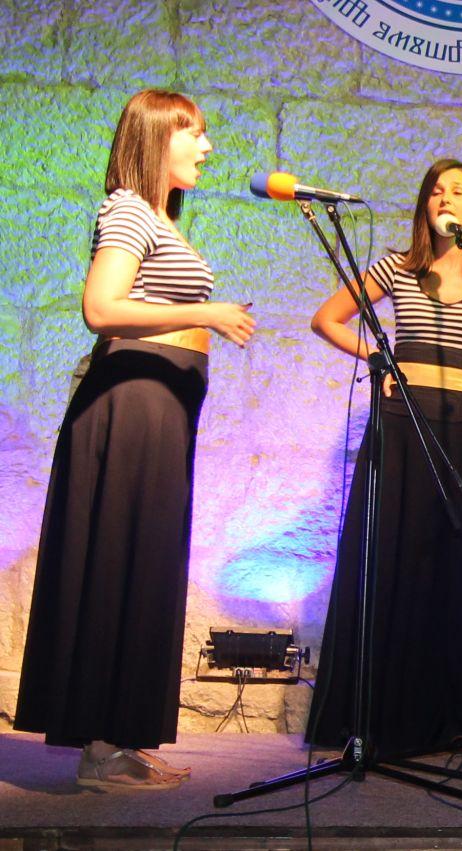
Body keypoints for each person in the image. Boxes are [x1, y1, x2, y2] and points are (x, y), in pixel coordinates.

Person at [15, 89, 256, 789]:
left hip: (158, 410)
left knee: (141, 566)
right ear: (157, 138)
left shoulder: (157, 217)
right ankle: (98, 750)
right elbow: (100, 307)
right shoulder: (127, 209)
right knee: (117, 561)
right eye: (194, 133)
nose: (207, 146)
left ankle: (115, 738)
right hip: (130, 408)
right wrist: (207, 311)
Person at [304, 158, 462, 758]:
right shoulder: (397, 267)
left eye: (458, 191)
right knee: (395, 557)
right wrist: (378, 359)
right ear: (425, 205)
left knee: (456, 565)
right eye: (437, 191)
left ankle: (453, 714)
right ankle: (380, 712)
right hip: (401, 421)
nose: (446, 198)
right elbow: (327, 319)